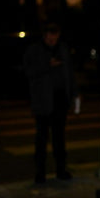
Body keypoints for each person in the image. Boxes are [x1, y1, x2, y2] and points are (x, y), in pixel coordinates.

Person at [23, 22, 76, 184]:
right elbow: (28, 71)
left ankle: (61, 170)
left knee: (59, 138)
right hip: (43, 101)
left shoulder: (62, 49)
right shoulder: (35, 50)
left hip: (60, 100)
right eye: (50, 36)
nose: (53, 40)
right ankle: (40, 174)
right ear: (45, 35)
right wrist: (47, 65)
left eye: (55, 36)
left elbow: (70, 73)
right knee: (42, 139)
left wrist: (74, 94)